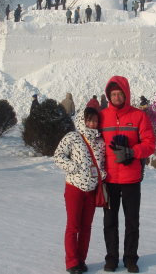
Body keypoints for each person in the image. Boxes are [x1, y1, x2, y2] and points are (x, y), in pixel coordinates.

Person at [99, 76, 156, 273]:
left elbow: (150, 144)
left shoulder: (139, 116)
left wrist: (132, 152)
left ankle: (131, 258)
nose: (116, 97)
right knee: (109, 221)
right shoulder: (102, 117)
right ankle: (111, 258)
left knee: (132, 221)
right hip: (109, 179)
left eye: (119, 93)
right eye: (113, 94)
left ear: (126, 94)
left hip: (131, 178)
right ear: (109, 95)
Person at [54, 107, 106, 274]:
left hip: (91, 190)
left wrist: (102, 173)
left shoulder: (100, 142)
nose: (92, 123)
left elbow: (102, 164)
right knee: (73, 226)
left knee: (86, 227)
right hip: (74, 188)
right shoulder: (73, 137)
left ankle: (81, 260)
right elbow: (58, 155)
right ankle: (71, 262)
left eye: (95, 120)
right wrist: (74, 167)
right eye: (89, 120)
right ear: (83, 120)